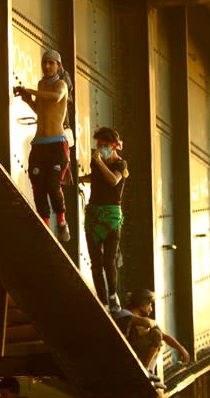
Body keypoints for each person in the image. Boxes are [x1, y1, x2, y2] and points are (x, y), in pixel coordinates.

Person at [13, 49, 71, 242]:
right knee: (38, 186)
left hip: (56, 144)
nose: (46, 66)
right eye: (44, 63)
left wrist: (31, 90)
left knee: (53, 184)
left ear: (58, 66)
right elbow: (42, 110)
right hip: (39, 144)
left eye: (51, 63)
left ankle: (62, 222)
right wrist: (28, 99)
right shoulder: (41, 85)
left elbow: (55, 97)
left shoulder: (60, 85)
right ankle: (46, 227)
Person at [79, 127, 128, 312]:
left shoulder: (120, 165)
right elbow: (98, 178)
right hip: (93, 213)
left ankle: (113, 296)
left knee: (109, 260)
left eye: (104, 145)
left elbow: (113, 180)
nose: (100, 148)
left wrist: (99, 162)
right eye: (98, 144)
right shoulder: (96, 163)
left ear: (114, 146)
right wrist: (81, 178)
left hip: (111, 217)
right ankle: (103, 301)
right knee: (96, 262)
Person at [114, 289, 190, 382]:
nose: (151, 309)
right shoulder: (124, 313)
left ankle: (150, 371)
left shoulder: (140, 317)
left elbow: (164, 336)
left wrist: (181, 348)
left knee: (158, 336)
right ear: (141, 305)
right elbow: (146, 322)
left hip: (133, 354)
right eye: (150, 305)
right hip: (123, 358)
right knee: (156, 335)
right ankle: (145, 370)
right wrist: (152, 323)